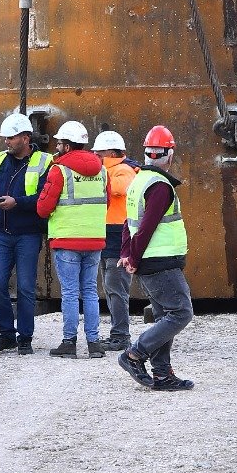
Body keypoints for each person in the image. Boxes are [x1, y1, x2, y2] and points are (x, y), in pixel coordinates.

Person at [118, 125, 195, 392]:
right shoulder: (160, 186)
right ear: (169, 154)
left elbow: (128, 223)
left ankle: (162, 375)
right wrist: (134, 257)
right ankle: (135, 354)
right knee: (181, 312)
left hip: (149, 260)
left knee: (165, 315)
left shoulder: (138, 180)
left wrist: (127, 253)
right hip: (159, 261)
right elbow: (147, 226)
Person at [0, 112, 51, 354]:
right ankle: (6, 334)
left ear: (26, 138)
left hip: (28, 234)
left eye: (11, 137)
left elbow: (44, 198)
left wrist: (17, 202)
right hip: (2, 233)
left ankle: (25, 337)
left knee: (26, 287)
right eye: (5, 138)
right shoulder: (0, 159)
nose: (6, 142)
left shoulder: (44, 162)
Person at [37, 120, 108, 358]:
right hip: (95, 238)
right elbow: (105, 201)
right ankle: (94, 344)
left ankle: (69, 343)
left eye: (59, 143)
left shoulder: (59, 170)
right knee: (90, 291)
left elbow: (43, 208)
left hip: (67, 239)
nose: (56, 147)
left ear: (67, 146)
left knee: (69, 292)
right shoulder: (102, 170)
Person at [93, 130, 138, 351]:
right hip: (107, 235)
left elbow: (121, 188)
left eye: (98, 152)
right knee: (111, 287)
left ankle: (121, 336)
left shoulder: (123, 170)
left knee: (115, 288)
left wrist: (99, 176)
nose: (95, 155)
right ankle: (119, 334)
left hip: (118, 236)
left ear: (110, 152)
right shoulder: (111, 170)